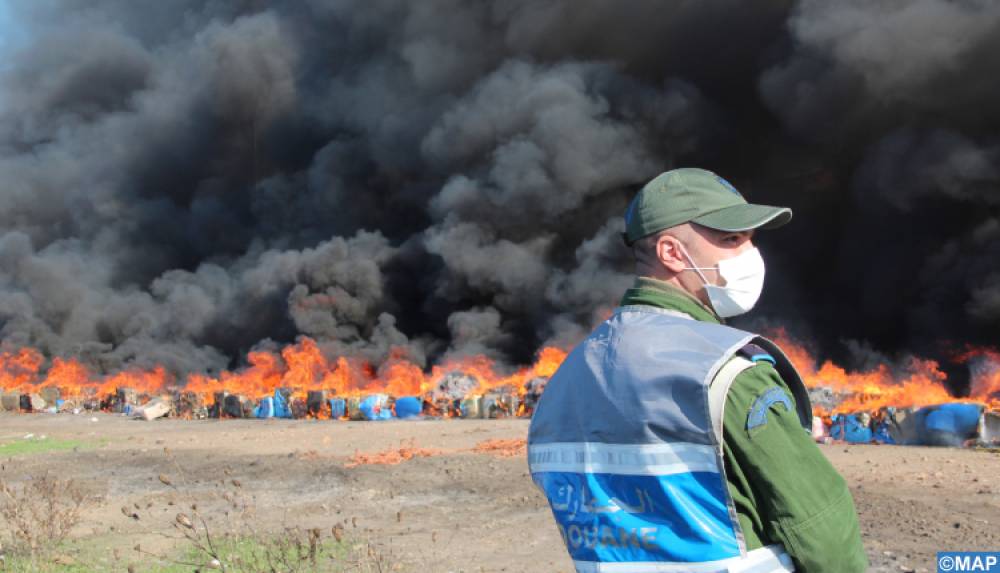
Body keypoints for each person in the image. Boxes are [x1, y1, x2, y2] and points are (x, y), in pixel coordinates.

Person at [527, 168, 867, 572]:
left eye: (749, 240)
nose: (749, 255)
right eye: (730, 239)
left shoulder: (567, 377)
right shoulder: (728, 373)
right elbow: (822, 529)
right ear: (671, 253)